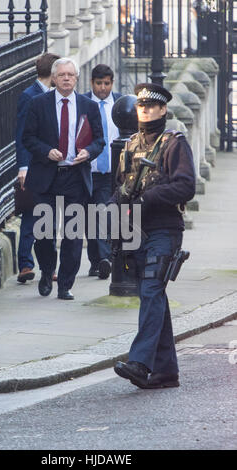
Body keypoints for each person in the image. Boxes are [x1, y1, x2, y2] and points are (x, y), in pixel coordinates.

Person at [114, 83, 196, 389]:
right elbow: (118, 188)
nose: (145, 111)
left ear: (163, 109)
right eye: (141, 106)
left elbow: (186, 186)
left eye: (151, 106)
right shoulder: (130, 146)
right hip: (135, 230)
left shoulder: (174, 144)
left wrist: (148, 198)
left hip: (164, 228)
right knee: (153, 295)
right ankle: (165, 372)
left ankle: (140, 362)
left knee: (150, 290)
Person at [22, 58, 105, 300]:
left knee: (73, 234)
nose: (67, 78)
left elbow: (99, 140)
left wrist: (88, 152)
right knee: (45, 233)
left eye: (71, 74)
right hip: (47, 175)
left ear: (77, 79)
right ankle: (47, 272)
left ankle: (65, 285)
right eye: (62, 75)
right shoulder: (39, 104)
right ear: (54, 78)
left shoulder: (88, 106)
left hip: (75, 176)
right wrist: (46, 151)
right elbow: (28, 138)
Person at [15, 52, 60, 284]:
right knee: (31, 216)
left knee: (49, 219)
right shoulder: (29, 96)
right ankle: (25, 264)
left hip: (51, 166)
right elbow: (22, 135)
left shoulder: (58, 97)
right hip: (33, 166)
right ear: (52, 74)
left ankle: (48, 266)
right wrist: (23, 167)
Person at [84, 64, 121, 279]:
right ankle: (95, 262)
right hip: (87, 170)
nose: (103, 88)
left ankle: (105, 258)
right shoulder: (85, 104)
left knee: (102, 214)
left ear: (112, 83)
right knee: (89, 218)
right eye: (99, 83)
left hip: (108, 173)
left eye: (107, 83)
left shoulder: (119, 104)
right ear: (91, 83)